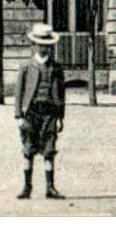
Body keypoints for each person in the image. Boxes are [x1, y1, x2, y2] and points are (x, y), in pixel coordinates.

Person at [14, 23, 67, 199]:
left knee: (49, 150)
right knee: (28, 149)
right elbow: (19, 93)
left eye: (47, 45)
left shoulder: (56, 68)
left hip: (50, 113)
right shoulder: (26, 67)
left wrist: (60, 117)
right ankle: (26, 187)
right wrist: (18, 115)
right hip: (31, 113)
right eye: (40, 44)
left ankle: (50, 188)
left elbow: (61, 94)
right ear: (33, 45)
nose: (44, 48)